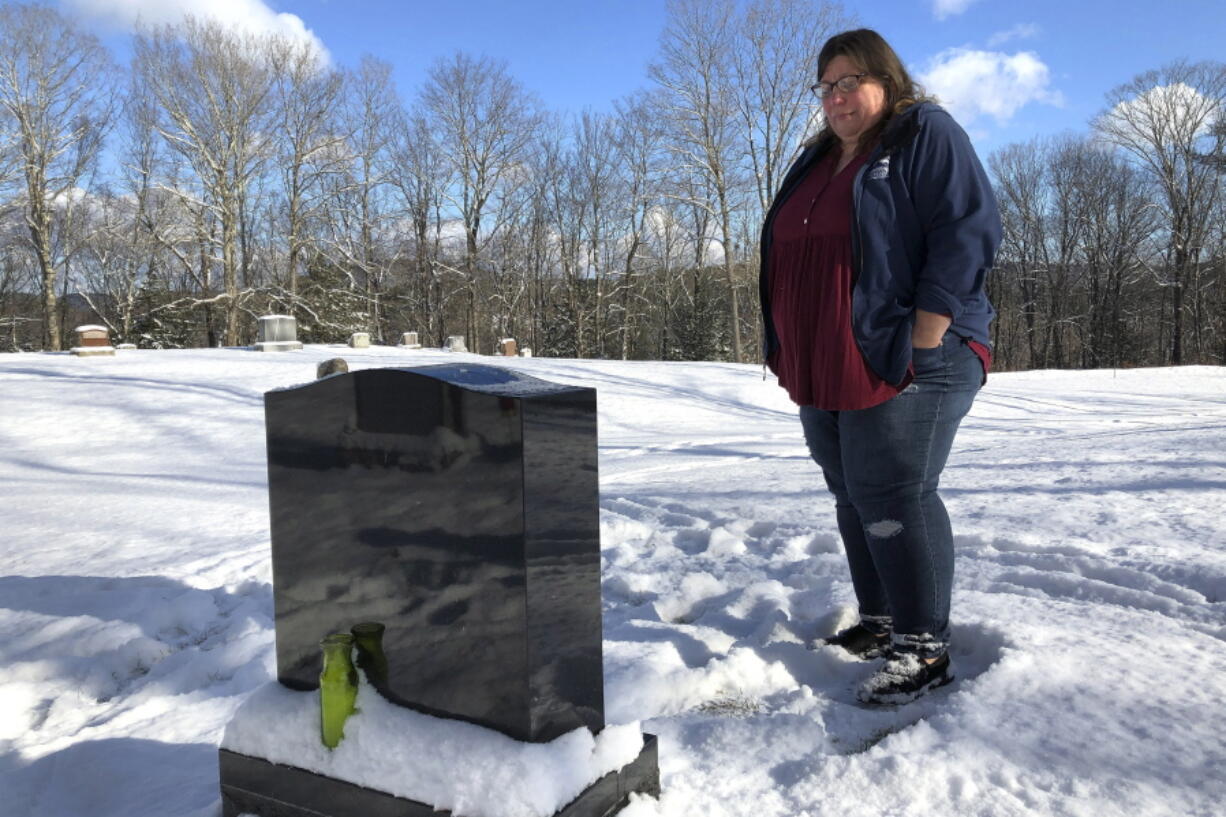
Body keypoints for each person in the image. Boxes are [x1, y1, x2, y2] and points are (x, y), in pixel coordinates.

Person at [758, 28, 1000, 705]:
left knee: (893, 489)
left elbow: (969, 229)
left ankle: (923, 647)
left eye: (850, 81)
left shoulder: (922, 133)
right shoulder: (818, 158)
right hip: (830, 357)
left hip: (913, 352)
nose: (836, 97)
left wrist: (927, 334)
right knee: (850, 487)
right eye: (826, 85)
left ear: (886, 80)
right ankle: (884, 618)